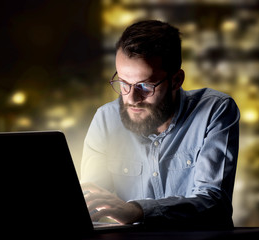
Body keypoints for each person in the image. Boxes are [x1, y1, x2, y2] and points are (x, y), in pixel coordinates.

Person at [81, 20, 240, 229]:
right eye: (123, 83)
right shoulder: (105, 119)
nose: (131, 98)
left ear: (176, 80)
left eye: (145, 86)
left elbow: (214, 204)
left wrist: (138, 211)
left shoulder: (215, 110)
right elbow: (90, 203)